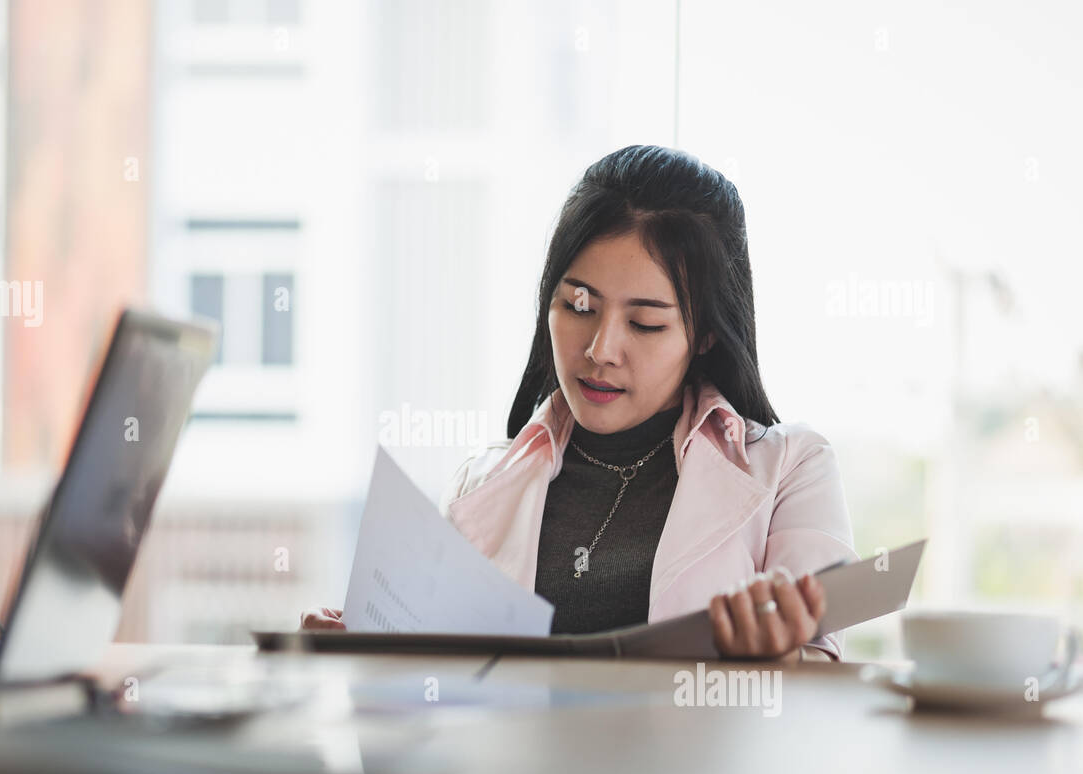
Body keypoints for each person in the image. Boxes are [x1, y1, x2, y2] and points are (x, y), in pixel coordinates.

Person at [303, 145, 857, 661]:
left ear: (706, 334)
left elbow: (827, 691)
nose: (600, 350)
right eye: (578, 305)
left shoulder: (791, 469)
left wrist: (776, 655)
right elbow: (441, 699)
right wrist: (370, 657)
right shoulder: (481, 483)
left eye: (645, 323)